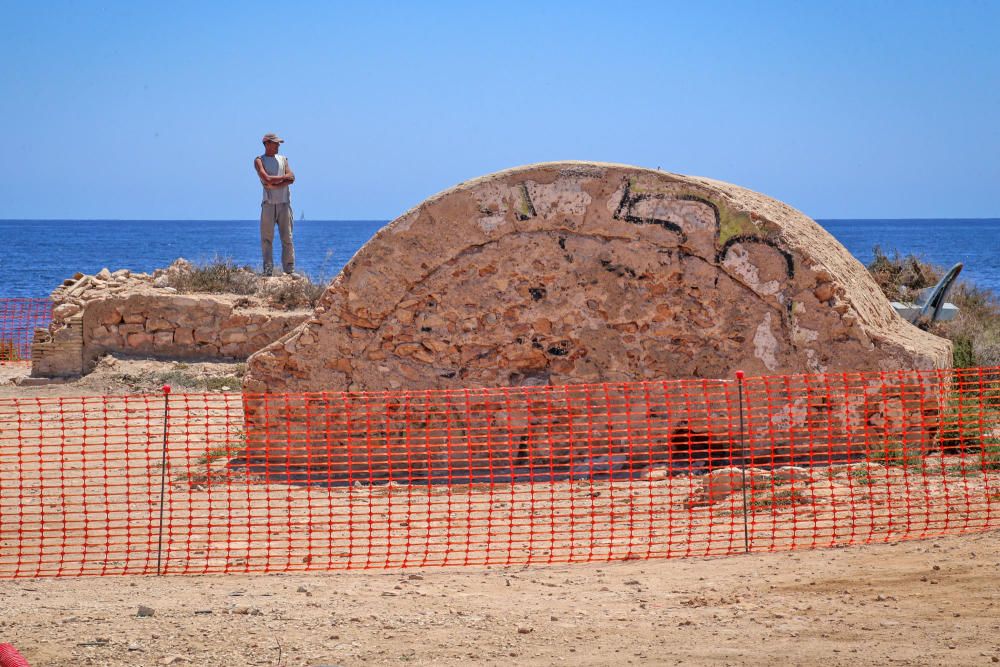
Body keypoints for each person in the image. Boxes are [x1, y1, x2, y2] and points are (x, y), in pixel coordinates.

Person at [254, 133, 296, 276]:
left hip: (284, 204)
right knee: (267, 239)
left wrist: (274, 184)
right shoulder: (260, 160)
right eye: (275, 143)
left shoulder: (283, 159)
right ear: (267, 143)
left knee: (287, 238)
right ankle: (268, 271)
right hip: (268, 204)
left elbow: (292, 178)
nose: (278, 146)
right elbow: (265, 178)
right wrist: (283, 179)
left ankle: (289, 270)